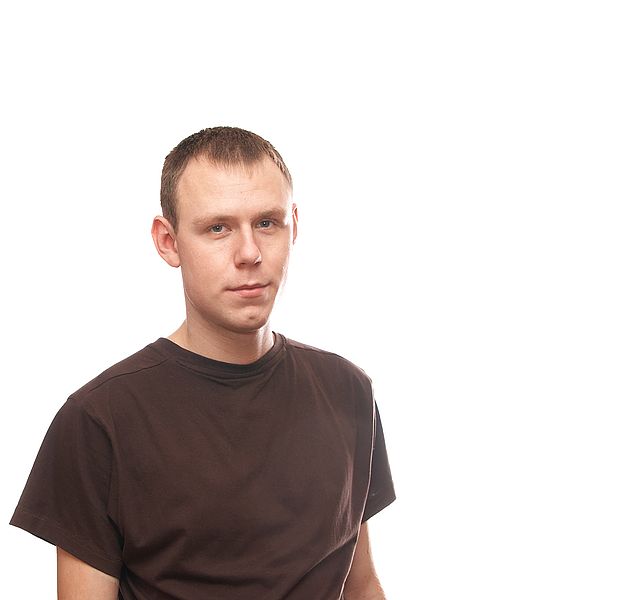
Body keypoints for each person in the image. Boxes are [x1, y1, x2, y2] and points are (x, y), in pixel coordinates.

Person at [9, 126, 395, 599]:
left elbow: (361, 588)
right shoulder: (99, 419)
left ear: (295, 224)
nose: (249, 253)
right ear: (168, 241)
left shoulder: (348, 390)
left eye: (268, 223)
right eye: (218, 228)